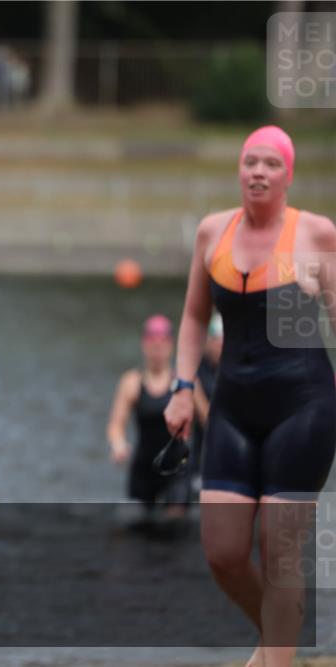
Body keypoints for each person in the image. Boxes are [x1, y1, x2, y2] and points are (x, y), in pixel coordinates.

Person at [163, 126, 336, 667]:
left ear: (288, 176)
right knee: (223, 554)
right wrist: (182, 389)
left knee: (279, 553)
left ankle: (276, 652)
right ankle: (279, 634)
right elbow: (194, 318)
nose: (259, 172)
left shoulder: (316, 235)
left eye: (271, 164)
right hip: (233, 409)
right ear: (240, 169)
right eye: (250, 162)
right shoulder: (212, 232)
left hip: (303, 406)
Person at [107, 314, 190, 517]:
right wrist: (118, 445)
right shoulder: (131, 382)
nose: (157, 348)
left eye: (162, 342)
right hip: (143, 469)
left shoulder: (184, 382)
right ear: (144, 345)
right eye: (152, 342)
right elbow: (116, 425)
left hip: (176, 469)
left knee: (175, 521)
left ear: (171, 346)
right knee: (137, 525)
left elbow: (208, 419)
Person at [189, 311, 223, 491]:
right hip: (202, 459)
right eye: (217, 340)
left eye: (224, 341)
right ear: (208, 341)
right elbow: (208, 421)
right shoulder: (194, 370)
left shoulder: (236, 368)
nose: (221, 346)